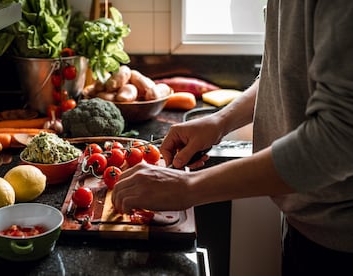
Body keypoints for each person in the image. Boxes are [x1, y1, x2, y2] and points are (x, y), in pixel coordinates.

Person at [112, 1, 353, 275]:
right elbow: (285, 69)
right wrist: (219, 121)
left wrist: (188, 187)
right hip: (308, 221)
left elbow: (340, 138)